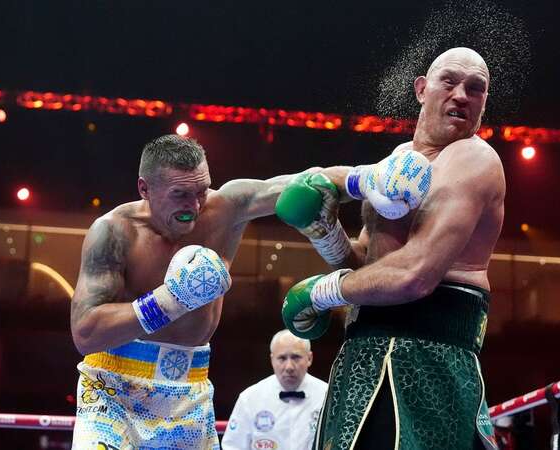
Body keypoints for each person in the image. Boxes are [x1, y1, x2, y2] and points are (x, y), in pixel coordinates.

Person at [279, 47, 504, 449]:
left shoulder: (475, 159)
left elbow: (413, 276)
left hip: (432, 358)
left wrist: (319, 292)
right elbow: (369, 265)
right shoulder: (398, 161)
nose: (461, 95)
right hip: (361, 357)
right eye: (449, 81)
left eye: (476, 88)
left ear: (484, 103)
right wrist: (324, 232)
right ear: (421, 89)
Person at [69, 134, 320, 449]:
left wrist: (369, 178)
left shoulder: (226, 208)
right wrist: (171, 300)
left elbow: (312, 183)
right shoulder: (114, 231)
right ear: (144, 189)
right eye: (180, 194)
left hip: (187, 391)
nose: (195, 206)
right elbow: (85, 334)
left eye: (202, 191)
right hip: (112, 392)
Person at [221, 330, 328, 450]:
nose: (289, 367)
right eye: (282, 358)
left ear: (309, 358)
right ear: (272, 360)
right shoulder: (249, 398)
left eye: (296, 357)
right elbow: (233, 446)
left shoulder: (327, 396)